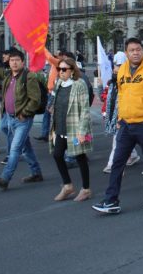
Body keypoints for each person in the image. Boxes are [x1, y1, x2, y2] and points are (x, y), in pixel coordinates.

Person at [92, 38, 143, 214]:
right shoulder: (123, 70)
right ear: (126, 53)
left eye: (138, 49)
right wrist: (119, 119)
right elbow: (122, 95)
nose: (135, 52)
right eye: (132, 50)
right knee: (117, 163)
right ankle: (111, 200)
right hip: (126, 125)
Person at [0, 41, 43, 190]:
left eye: (17, 60)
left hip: (22, 119)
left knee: (15, 149)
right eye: (12, 60)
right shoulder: (8, 75)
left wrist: (25, 113)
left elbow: (35, 99)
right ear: (8, 62)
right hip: (9, 118)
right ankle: (36, 172)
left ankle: (5, 178)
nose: (14, 63)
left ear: (23, 62)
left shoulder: (29, 77)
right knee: (25, 146)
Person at [49, 57, 93, 202]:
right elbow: (56, 101)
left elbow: (85, 109)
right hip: (61, 126)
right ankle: (68, 186)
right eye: (59, 69)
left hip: (75, 128)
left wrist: (82, 131)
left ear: (72, 70)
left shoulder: (79, 84)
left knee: (80, 157)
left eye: (64, 69)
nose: (60, 72)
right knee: (57, 155)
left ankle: (86, 189)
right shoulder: (59, 83)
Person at [102, 53, 141, 173]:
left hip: (125, 116)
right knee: (125, 139)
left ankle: (111, 164)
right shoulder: (112, 82)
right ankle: (133, 155)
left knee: (117, 141)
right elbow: (106, 98)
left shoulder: (130, 81)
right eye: (115, 65)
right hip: (113, 116)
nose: (116, 68)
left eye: (119, 65)